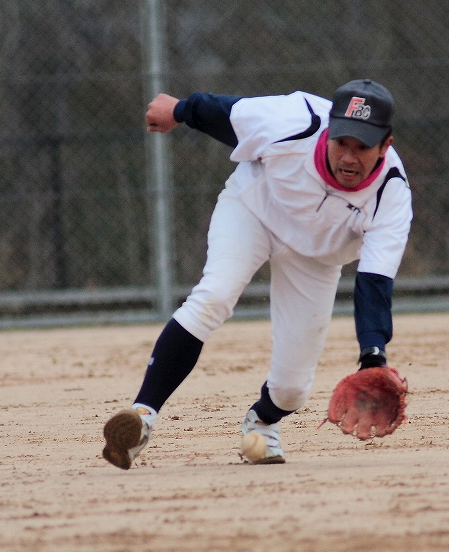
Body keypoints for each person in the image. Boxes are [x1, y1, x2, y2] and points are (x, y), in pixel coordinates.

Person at [102, 79, 412, 469]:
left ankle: (263, 421)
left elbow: (374, 284)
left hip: (315, 258)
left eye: (363, 146)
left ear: (386, 145)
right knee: (214, 295)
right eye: (342, 142)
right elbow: (227, 113)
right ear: (329, 130)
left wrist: (373, 358)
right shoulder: (294, 120)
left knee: (293, 387)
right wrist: (179, 111)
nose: (349, 157)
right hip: (254, 211)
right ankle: (142, 417)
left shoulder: (391, 193)